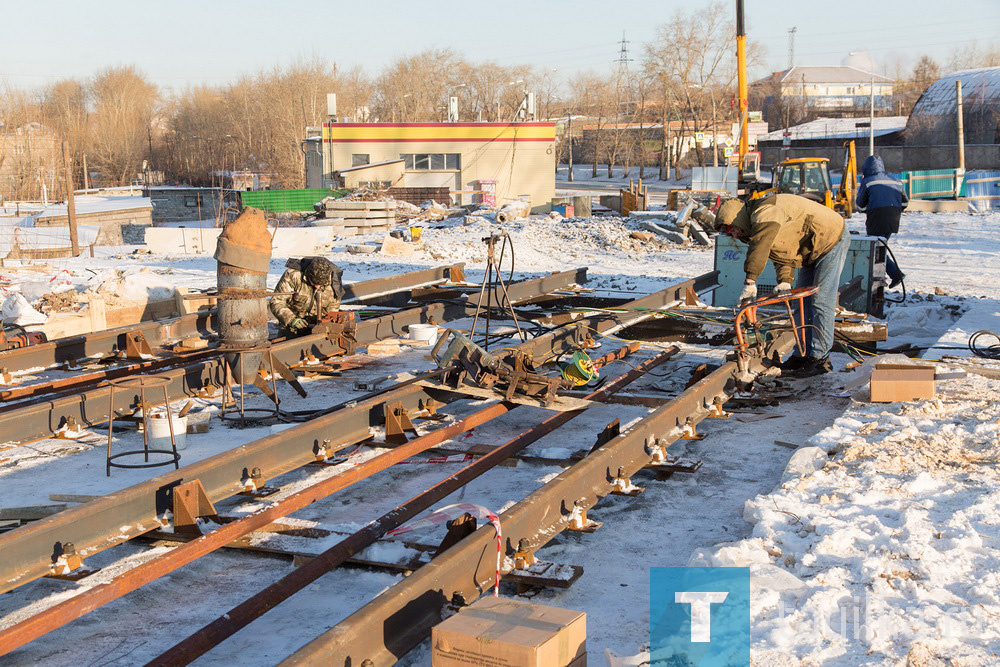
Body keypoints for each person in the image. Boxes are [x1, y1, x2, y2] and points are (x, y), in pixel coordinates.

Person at [717, 193, 850, 377]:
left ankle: (820, 359)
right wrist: (785, 280)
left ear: (737, 219)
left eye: (733, 230)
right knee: (801, 302)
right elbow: (782, 251)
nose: (735, 235)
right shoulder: (761, 220)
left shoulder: (764, 212)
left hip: (831, 238)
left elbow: (761, 247)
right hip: (811, 247)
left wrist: (750, 280)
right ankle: (803, 355)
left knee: (820, 299)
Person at [856, 154, 907, 288]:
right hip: (893, 218)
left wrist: (870, 208)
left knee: (876, 250)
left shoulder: (868, 181)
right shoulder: (896, 181)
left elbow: (860, 205)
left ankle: (893, 274)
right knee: (880, 247)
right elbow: (905, 203)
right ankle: (888, 275)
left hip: (876, 218)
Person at [269, 257, 345, 334]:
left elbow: (332, 310)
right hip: (291, 324)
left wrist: (325, 324)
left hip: (318, 328)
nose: (317, 287)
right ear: (308, 275)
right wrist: (291, 319)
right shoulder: (293, 276)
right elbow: (277, 301)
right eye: (314, 283)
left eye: (321, 285)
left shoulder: (334, 283)